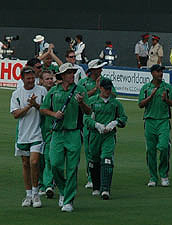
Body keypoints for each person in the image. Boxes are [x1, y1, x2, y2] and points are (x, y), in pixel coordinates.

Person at [40, 63, 91, 212]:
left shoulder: (81, 90)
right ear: (62, 76)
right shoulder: (54, 91)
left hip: (74, 133)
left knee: (72, 168)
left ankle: (69, 200)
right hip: (56, 133)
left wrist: (82, 103)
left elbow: (88, 111)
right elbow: (43, 109)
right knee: (55, 164)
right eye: (69, 72)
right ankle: (62, 190)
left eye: (73, 72)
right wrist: (53, 114)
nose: (72, 75)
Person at [10, 66, 47, 208]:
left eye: (32, 78)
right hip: (23, 134)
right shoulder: (17, 94)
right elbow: (15, 114)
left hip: (37, 133)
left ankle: (36, 193)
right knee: (25, 164)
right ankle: (28, 195)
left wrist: (35, 105)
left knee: (34, 162)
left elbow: (44, 110)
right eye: (28, 78)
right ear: (22, 79)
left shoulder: (42, 91)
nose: (31, 80)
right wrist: (29, 106)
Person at [84, 79, 127, 199]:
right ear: (100, 88)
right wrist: (96, 125)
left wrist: (115, 122)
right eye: (106, 88)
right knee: (94, 160)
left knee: (107, 159)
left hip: (109, 136)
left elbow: (123, 118)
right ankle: (96, 187)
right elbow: (86, 118)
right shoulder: (92, 101)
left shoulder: (115, 104)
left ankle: (106, 189)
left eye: (110, 88)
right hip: (94, 136)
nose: (108, 91)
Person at [78, 59, 116, 189]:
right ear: (92, 70)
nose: (101, 70)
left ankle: (103, 179)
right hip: (89, 123)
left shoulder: (106, 81)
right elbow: (81, 98)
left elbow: (113, 95)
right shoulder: (83, 82)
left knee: (105, 152)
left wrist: (103, 88)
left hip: (105, 121)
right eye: (99, 68)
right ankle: (91, 178)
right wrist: (95, 89)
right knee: (90, 152)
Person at [138, 64, 172, 187]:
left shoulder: (167, 88)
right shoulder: (146, 88)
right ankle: (153, 177)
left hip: (163, 121)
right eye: (158, 71)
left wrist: (166, 100)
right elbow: (140, 104)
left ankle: (164, 175)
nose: (160, 74)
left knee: (164, 147)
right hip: (150, 121)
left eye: (161, 71)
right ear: (152, 73)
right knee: (151, 151)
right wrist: (150, 97)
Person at [38, 70, 56, 198]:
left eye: (51, 78)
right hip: (38, 130)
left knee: (49, 157)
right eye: (47, 79)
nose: (50, 81)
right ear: (41, 81)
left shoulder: (56, 92)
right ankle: (41, 182)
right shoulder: (38, 92)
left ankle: (48, 184)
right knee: (38, 158)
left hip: (51, 129)